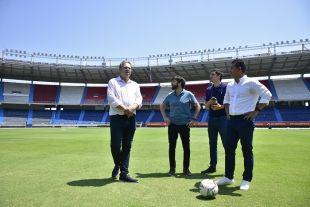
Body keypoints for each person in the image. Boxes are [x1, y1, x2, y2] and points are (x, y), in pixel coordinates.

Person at [216, 59, 272, 190]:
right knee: (229, 149)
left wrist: (256, 110)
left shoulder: (251, 82)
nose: (230, 70)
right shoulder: (230, 85)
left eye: (232, 68)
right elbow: (226, 100)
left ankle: (246, 179)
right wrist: (228, 114)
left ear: (240, 69)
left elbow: (267, 94)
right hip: (231, 121)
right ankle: (229, 177)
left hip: (245, 120)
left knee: (246, 150)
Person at [107, 60, 142, 183]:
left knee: (127, 146)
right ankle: (118, 163)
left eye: (129, 68)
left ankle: (124, 173)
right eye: (125, 67)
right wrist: (125, 109)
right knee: (115, 145)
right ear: (120, 69)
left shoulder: (135, 84)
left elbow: (139, 99)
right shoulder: (113, 82)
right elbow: (112, 99)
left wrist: (131, 109)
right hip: (117, 117)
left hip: (131, 118)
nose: (128, 70)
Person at [160, 76, 201, 176]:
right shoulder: (170, 95)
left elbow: (198, 106)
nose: (171, 83)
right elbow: (162, 106)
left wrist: (194, 119)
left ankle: (186, 169)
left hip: (185, 125)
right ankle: (172, 169)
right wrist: (165, 117)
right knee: (172, 147)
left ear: (179, 83)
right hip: (172, 124)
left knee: (186, 148)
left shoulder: (189, 94)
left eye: (173, 81)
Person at [201, 69, 227, 175]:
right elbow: (206, 107)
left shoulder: (226, 87)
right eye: (210, 74)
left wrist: (221, 107)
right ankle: (212, 166)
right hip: (211, 118)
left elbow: (230, 103)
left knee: (227, 144)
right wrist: (209, 102)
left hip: (224, 118)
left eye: (213, 74)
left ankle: (229, 169)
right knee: (212, 144)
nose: (210, 76)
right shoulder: (208, 89)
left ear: (219, 76)